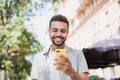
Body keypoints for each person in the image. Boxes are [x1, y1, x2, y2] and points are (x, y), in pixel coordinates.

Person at [31, 14, 89, 80]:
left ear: (67, 32)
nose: (59, 34)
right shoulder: (38, 58)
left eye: (63, 31)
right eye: (55, 30)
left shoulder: (78, 55)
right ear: (49, 32)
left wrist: (72, 72)